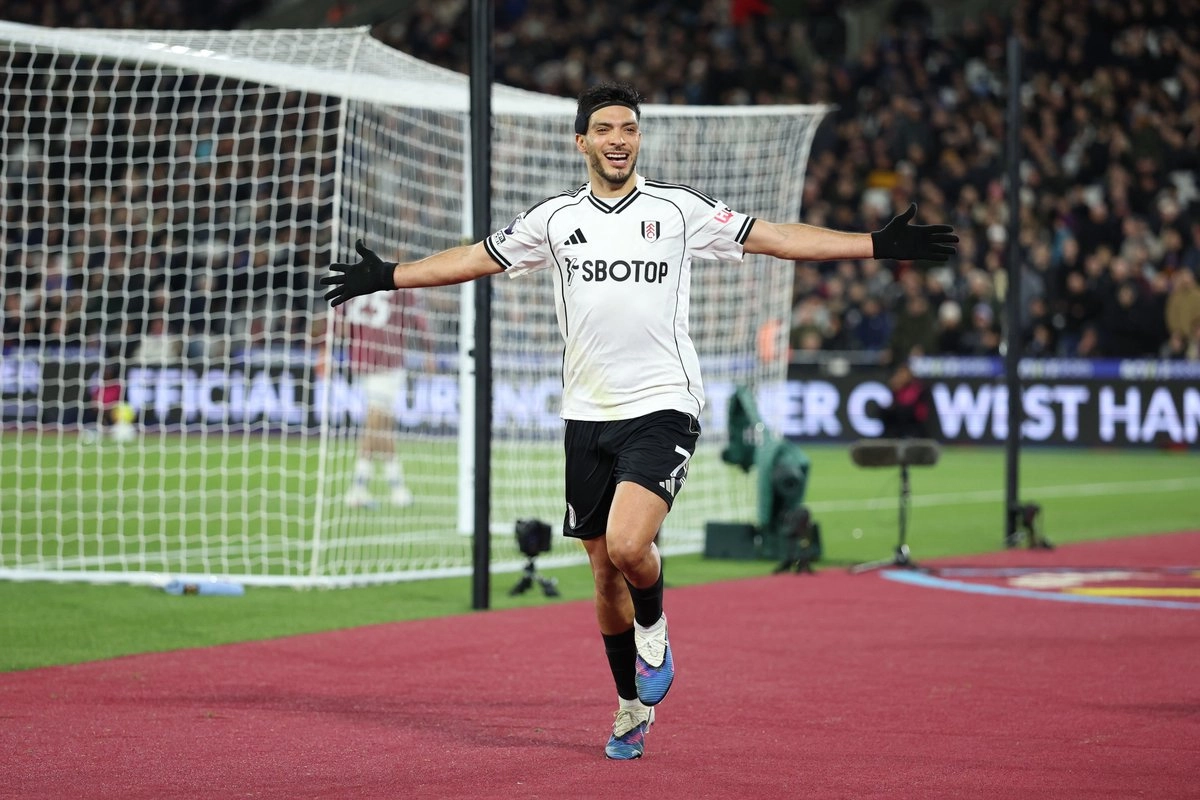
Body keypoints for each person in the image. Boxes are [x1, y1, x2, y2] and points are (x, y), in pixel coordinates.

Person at [322, 82, 957, 759]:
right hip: (585, 414)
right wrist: (391, 275)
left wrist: (873, 245)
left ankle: (654, 627)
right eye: (605, 128)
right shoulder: (554, 219)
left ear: (638, 138)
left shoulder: (678, 209)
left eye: (628, 127)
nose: (618, 138)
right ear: (582, 142)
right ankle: (630, 707)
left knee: (629, 548)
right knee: (601, 573)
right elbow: (476, 257)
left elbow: (773, 236)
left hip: (663, 406)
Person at [317, 288, 430, 508]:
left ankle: (394, 485)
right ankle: (360, 487)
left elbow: (338, 319)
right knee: (375, 423)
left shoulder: (357, 283)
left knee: (381, 425)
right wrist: (428, 349)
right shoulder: (401, 284)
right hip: (387, 360)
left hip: (362, 357)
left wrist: (326, 349)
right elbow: (418, 318)